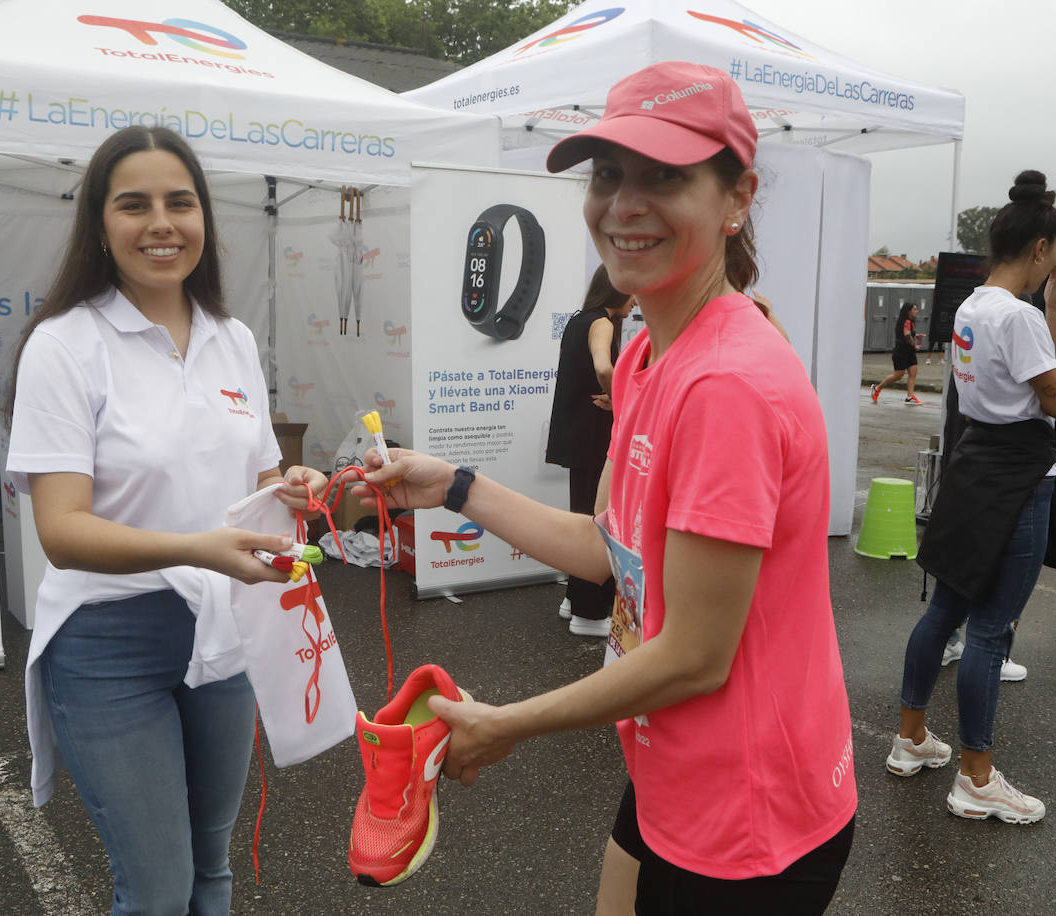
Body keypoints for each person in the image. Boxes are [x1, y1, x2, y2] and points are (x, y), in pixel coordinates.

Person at [359, 61, 857, 913]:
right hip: (676, 767)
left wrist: (506, 723)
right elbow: (610, 552)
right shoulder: (645, 352)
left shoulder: (726, 386)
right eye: (608, 175)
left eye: (664, 176)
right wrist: (453, 484)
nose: (623, 204)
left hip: (750, 814)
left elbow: (696, 656)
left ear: (738, 196)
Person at [2, 125, 327, 914]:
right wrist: (200, 550)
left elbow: (256, 478)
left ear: (205, 218)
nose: (161, 224)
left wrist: (296, 487)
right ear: (100, 223)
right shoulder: (65, 345)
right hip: (108, 638)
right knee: (154, 887)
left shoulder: (233, 338)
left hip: (225, 628)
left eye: (180, 203)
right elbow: (62, 530)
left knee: (211, 868)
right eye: (134, 205)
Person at [889, 170, 1056, 825]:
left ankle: (911, 738)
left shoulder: (973, 306)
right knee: (991, 633)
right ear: (1041, 249)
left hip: (973, 468)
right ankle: (976, 777)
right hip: (1019, 477)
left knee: (944, 611)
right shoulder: (1018, 317)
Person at [546, 264, 635, 637]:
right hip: (593, 430)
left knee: (583, 512)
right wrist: (622, 398)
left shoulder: (579, 320)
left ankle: (574, 600)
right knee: (596, 520)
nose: (636, 301)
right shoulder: (603, 324)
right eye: (631, 292)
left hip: (576, 429)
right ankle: (589, 612)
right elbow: (603, 366)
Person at [871, 302, 923, 405]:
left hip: (909, 352)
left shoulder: (910, 322)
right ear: (909, 311)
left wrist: (916, 336)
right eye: (915, 309)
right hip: (901, 352)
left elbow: (908, 334)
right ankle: (877, 388)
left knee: (913, 373)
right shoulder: (907, 321)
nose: (917, 311)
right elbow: (907, 336)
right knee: (898, 375)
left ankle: (910, 396)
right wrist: (915, 345)